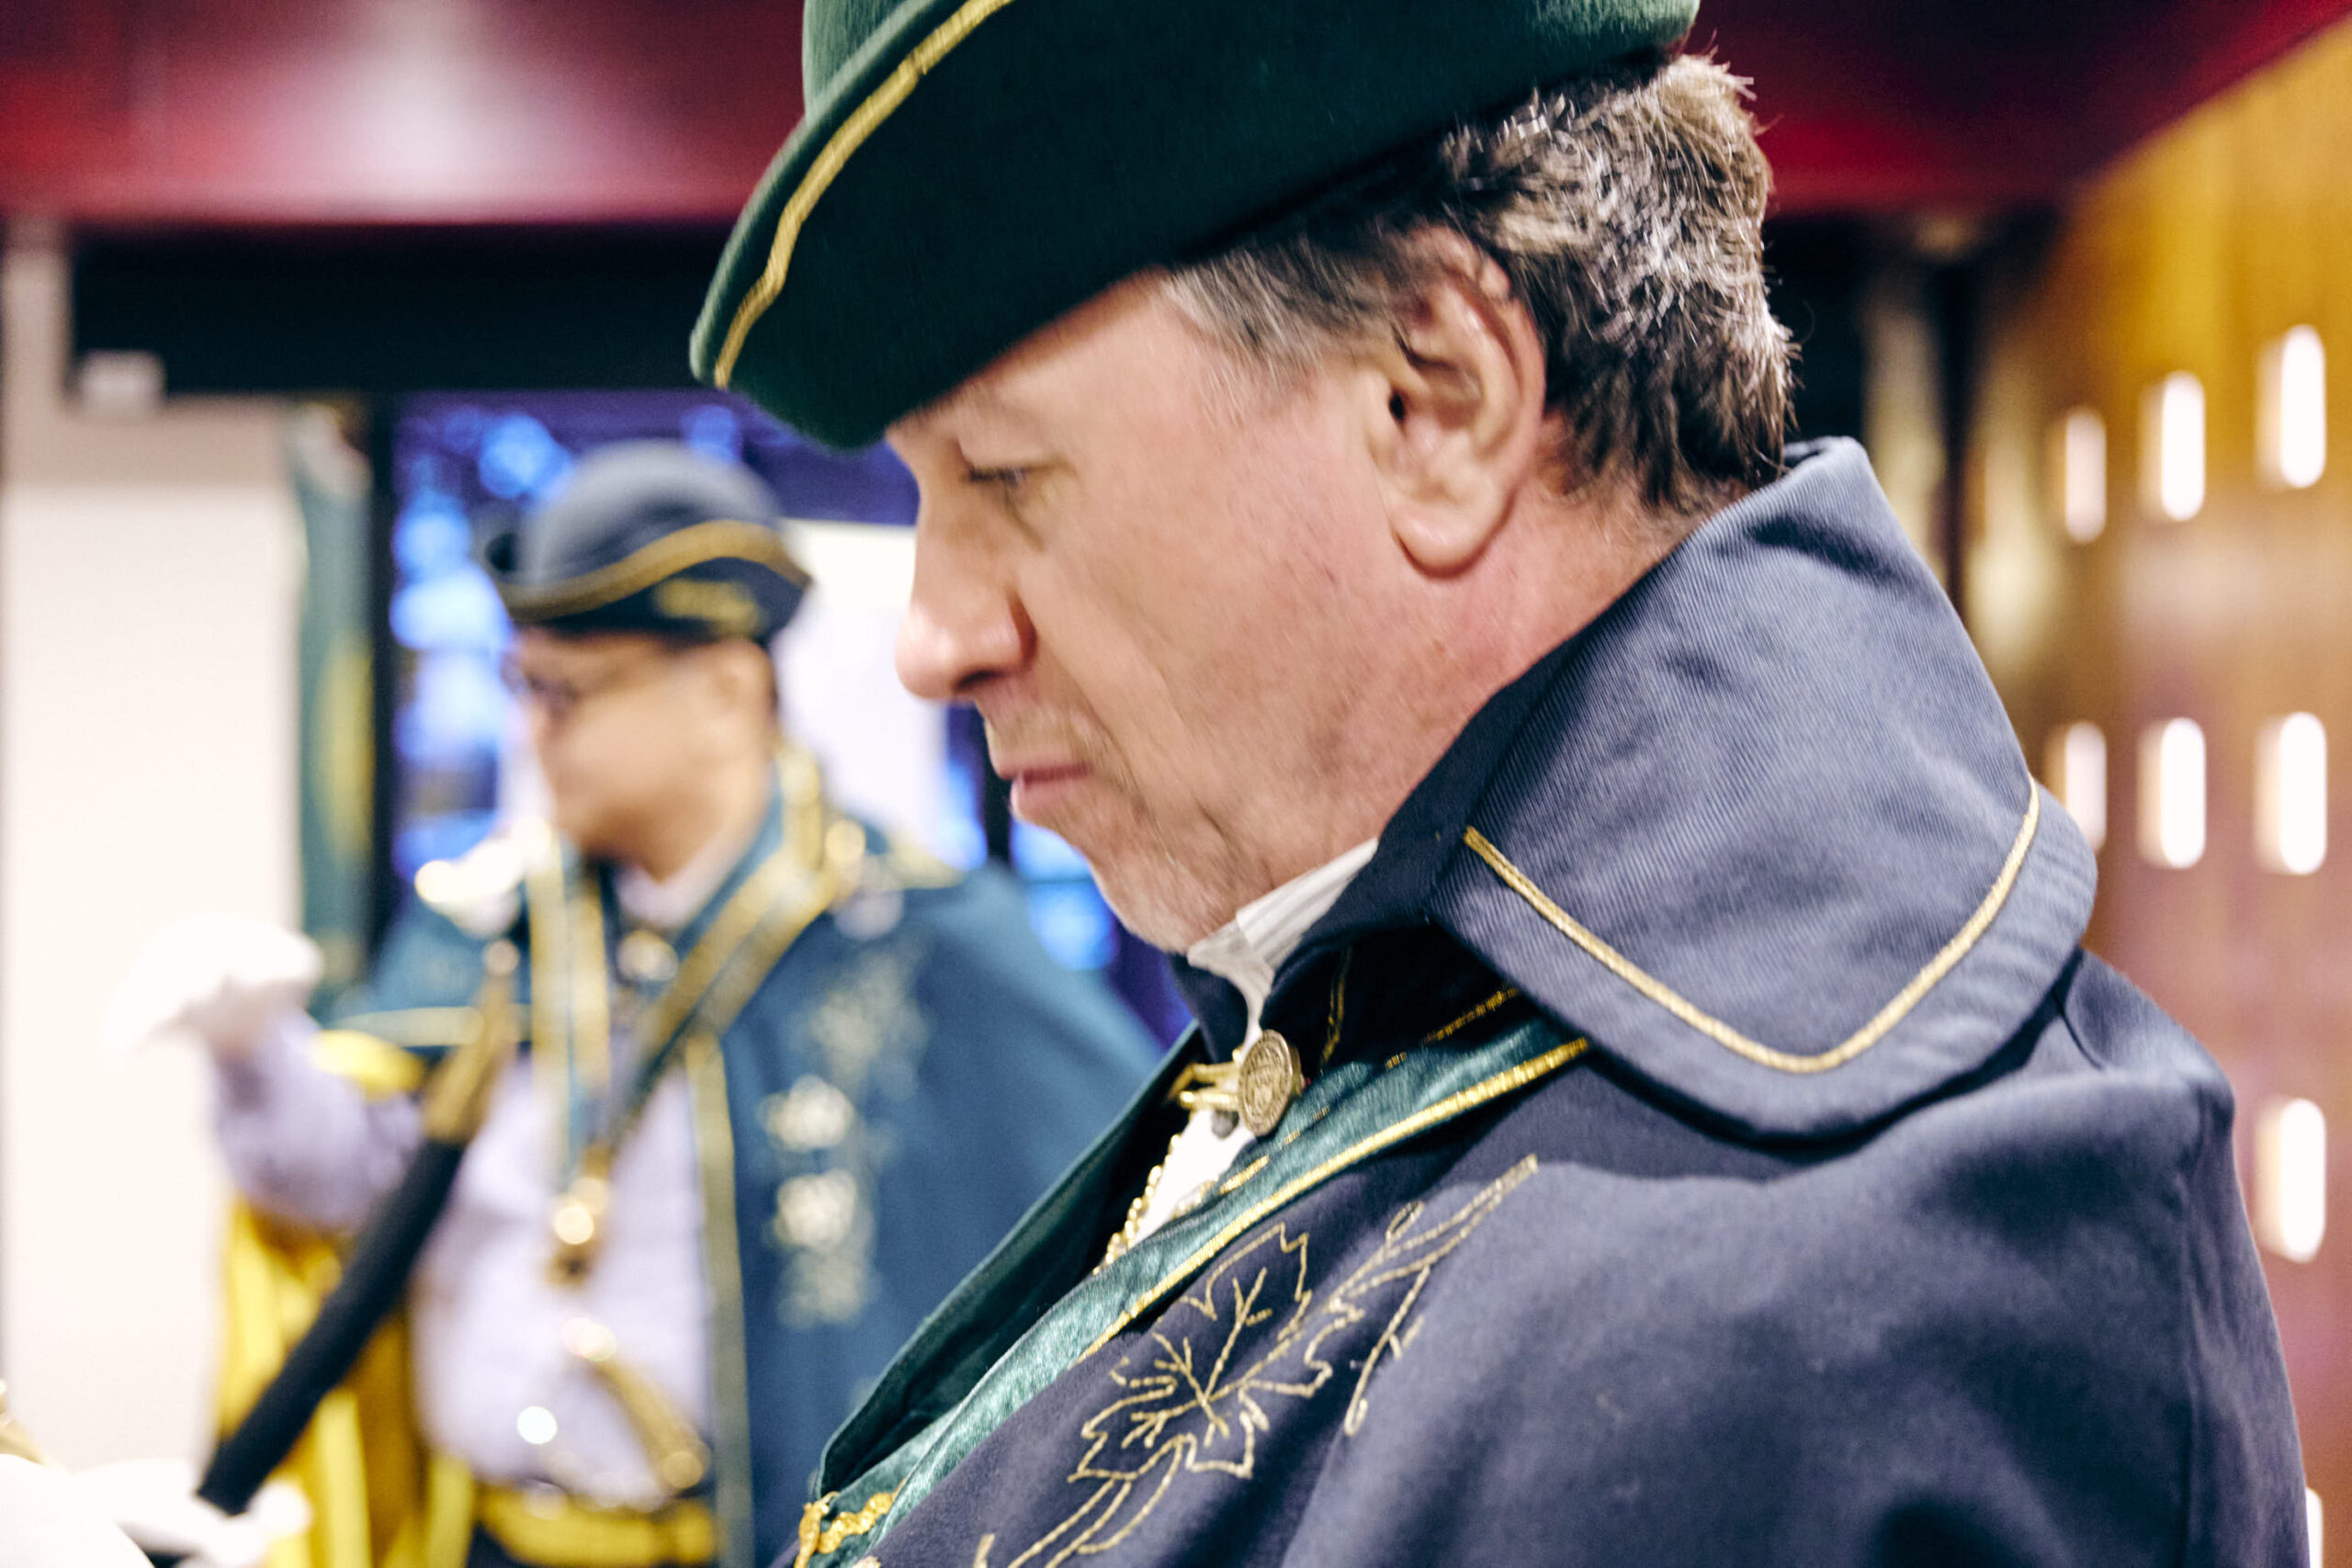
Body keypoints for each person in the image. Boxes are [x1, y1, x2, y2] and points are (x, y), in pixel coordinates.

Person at [684, 3, 2310, 1564]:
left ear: (1438, 401)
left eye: (1005, 473)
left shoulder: (1875, 1262)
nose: (936, 637)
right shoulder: (1412, 1006)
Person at [114, 443, 1157, 1568]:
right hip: (484, 1543)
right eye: (522, 685)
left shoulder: (914, 936)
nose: (533, 730)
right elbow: (346, 1201)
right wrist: (253, 1053)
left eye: (567, 692)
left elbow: (1127, 1215)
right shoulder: (497, 924)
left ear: (725, 693)